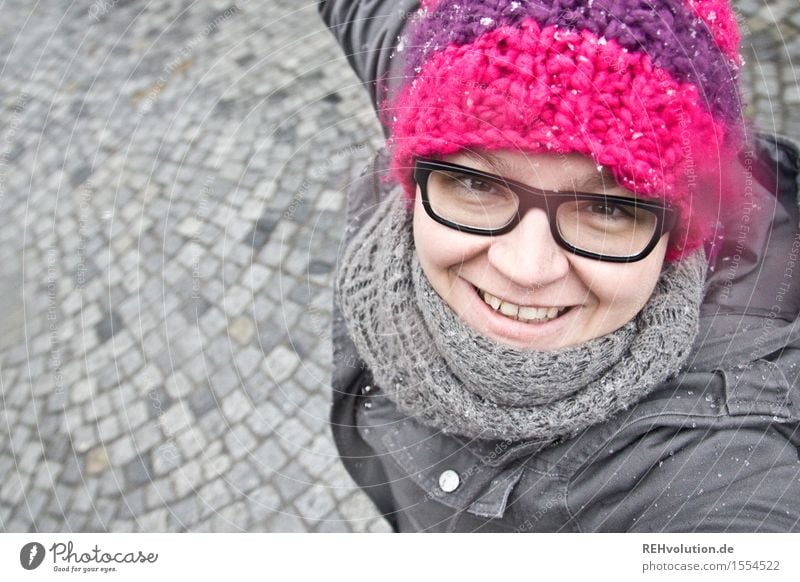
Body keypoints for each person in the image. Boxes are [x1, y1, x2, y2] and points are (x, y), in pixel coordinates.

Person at [321, 0, 800, 532]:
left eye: (608, 208)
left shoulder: (710, 475)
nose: (526, 269)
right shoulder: (439, 71)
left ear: (678, 238)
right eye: (478, 183)